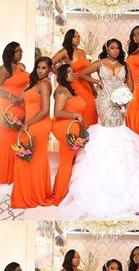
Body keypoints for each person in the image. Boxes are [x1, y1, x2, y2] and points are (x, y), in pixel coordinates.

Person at [59, 38, 139, 219]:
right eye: (112, 48)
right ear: (106, 48)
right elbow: (81, 74)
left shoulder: (123, 64)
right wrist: (97, 83)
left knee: (119, 130)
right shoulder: (100, 63)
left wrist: (127, 97)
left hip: (120, 101)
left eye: (118, 48)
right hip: (104, 101)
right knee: (106, 129)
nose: (115, 51)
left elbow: (130, 82)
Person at [11, 56, 53, 208]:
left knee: (34, 159)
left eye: (44, 68)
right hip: (31, 124)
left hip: (38, 125)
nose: (41, 70)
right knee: (28, 159)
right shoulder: (36, 83)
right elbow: (17, 99)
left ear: (49, 70)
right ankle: (30, 192)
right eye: (38, 67)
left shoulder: (45, 85)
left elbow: (45, 110)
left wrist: (27, 123)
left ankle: (35, 194)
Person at [0, 42, 29, 184]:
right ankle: (5, 172)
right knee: (8, 137)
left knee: (18, 137)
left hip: (20, 104)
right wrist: (10, 96)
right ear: (10, 53)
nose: (20, 53)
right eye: (17, 51)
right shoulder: (4, 68)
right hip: (7, 105)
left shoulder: (21, 67)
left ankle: (16, 171)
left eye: (21, 51)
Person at [52, 64, 86, 205]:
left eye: (73, 71)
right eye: (69, 72)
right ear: (62, 75)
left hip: (71, 125)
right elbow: (58, 112)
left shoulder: (68, 89)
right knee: (66, 161)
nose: (73, 73)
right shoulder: (61, 91)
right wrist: (75, 115)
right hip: (66, 127)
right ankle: (60, 196)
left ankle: (65, 192)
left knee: (69, 160)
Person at [52, 29, 97, 126]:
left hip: (86, 86)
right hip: (74, 85)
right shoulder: (65, 51)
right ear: (69, 38)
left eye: (79, 37)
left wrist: (92, 87)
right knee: (81, 109)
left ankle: (90, 137)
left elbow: (87, 71)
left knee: (91, 109)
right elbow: (50, 63)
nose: (77, 39)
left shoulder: (82, 52)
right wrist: (62, 75)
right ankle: (79, 136)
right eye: (74, 36)